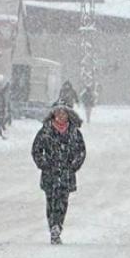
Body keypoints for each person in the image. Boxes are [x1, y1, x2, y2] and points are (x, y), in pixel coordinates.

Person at [31, 103, 86, 245]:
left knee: (63, 202)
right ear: (53, 115)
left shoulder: (74, 132)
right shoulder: (46, 131)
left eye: (64, 113)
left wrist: (74, 165)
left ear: (68, 115)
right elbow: (36, 150)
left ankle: (58, 225)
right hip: (50, 174)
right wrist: (44, 164)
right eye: (58, 113)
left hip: (66, 174)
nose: (61, 116)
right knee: (51, 201)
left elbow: (81, 151)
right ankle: (53, 227)